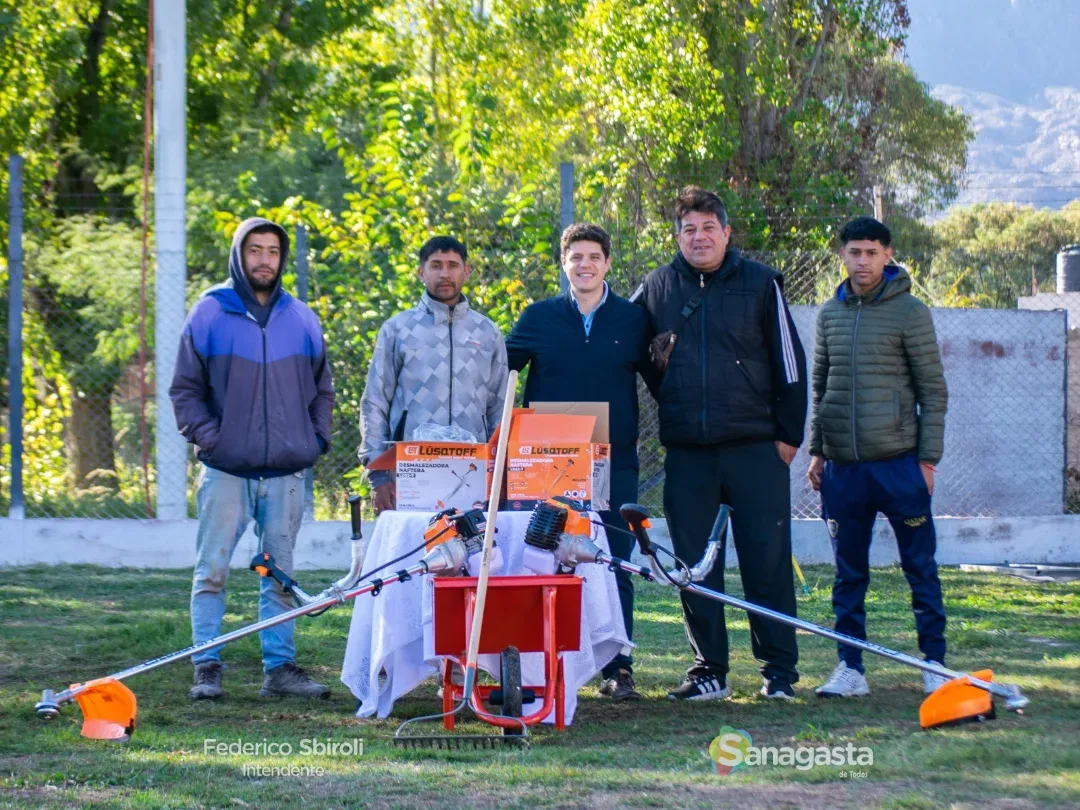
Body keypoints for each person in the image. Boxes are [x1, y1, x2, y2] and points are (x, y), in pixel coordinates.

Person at [636, 186, 807, 701]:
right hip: (688, 453)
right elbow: (634, 351)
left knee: (767, 560)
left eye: (709, 227)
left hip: (756, 449)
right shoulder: (657, 286)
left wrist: (788, 436)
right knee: (694, 566)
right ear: (677, 237)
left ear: (727, 233)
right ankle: (708, 670)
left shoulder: (760, 282)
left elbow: (790, 362)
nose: (700, 237)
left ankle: (779, 673)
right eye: (689, 229)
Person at [170, 216, 335, 701]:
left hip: (286, 471)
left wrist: (315, 440)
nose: (265, 260)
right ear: (239, 255)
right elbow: (184, 390)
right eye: (255, 250)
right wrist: (214, 440)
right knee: (211, 572)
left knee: (279, 577)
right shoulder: (209, 312)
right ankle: (207, 667)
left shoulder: (301, 318)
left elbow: (322, 389)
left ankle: (279, 671)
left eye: (273, 252)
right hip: (226, 470)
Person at [506, 222, 652, 702]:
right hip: (547, 462)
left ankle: (619, 668)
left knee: (613, 559)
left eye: (594, 256)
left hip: (614, 459)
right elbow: (498, 373)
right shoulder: (538, 317)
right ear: (563, 263)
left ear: (607, 263)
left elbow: (664, 380)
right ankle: (538, 667)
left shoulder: (633, 319)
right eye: (576, 257)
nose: (585, 265)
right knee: (540, 557)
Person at [807, 216, 949, 698]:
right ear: (842, 256)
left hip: (899, 465)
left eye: (871, 252)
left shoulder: (910, 312)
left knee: (920, 568)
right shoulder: (830, 314)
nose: (862, 261)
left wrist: (927, 461)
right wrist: (818, 451)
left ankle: (934, 663)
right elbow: (821, 388)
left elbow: (933, 391)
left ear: (887, 255)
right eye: (854, 252)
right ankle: (850, 668)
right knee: (848, 574)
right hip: (843, 470)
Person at [359, 236, 508, 513]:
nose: (444, 273)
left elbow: (499, 407)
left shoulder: (487, 332)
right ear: (421, 272)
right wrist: (378, 474)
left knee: (472, 541)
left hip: (473, 471)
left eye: (453, 265)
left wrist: (500, 469)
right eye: (436, 265)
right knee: (412, 541)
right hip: (410, 471)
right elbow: (375, 402)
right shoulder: (398, 329)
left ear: (466, 271)